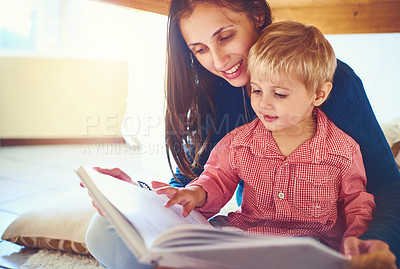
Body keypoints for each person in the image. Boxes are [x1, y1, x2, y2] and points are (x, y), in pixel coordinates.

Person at [85, 0, 399, 268]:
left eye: (226, 36)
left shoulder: (332, 84)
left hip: (313, 242)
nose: (219, 61)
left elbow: (385, 188)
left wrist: (371, 244)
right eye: (200, 49)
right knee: (104, 230)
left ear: (257, 17)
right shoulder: (214, 92)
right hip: (247, 234)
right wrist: (138, 199)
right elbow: (201, 176)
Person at [153, 20, 376, 253]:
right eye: (257, 90)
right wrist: (196, 193)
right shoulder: (239, 143)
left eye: (279, 94)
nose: (263, 103)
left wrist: (356, 241)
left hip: (309, 247)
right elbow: (216, 178)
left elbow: (357, 204)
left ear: (319, 94)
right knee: (203, 237)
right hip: (247, 235)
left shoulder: (343, 151)